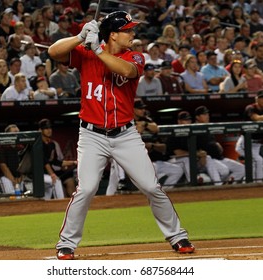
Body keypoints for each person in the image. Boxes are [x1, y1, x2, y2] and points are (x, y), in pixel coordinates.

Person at [48, 10, 195, 260]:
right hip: (91, 134)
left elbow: (127, 71)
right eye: (127, 30)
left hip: (125, 134)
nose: (132, 33)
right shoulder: (86, 53)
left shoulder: (135, 55)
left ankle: (177, 236)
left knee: (151, 186)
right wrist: (79, 36)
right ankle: (66, 243)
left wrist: (97, 50)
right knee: (87, 189)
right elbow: (53, 52)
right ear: (113, 34)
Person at [166, 110, 223, 185]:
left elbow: (198, 150)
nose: (188, 122)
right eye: (185, 120)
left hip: (192, 159)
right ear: (179, 121)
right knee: (186, 160)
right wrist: (195, 154)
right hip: (174, 161)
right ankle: (193, 184)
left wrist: (202, 155)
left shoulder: (192, 134)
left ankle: (218, 184)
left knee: (208, 158)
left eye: (189, 120)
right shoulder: (173, 133)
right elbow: (178, 153)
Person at [195, 106, 245, 184]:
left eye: (207, 114)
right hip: (206, 160)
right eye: (204, 114)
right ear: (197, 117)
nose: (207, 116)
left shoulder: (208, 127)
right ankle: (218, 186)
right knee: (224, 171)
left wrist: (217, 145)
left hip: (218, 157)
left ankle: (227, 186)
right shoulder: (195, 129)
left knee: (241, 169)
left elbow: (212, 143)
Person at [39, 119, 76, 198]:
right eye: (46, 128)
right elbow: (45, 162)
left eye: (50, 128)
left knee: (46, 198)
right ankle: (61, 205)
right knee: (57, 182)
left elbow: (56, 162)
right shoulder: (38, 144)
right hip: (38, 174)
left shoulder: (51, 144)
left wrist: (73, 162)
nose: (49, 130)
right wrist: (52, 175)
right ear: (40, 130)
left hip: (47, 175)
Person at [0, 124, 26, 194]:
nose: (16, 135)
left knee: (22, 197)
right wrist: (13, 181)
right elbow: (3, 167)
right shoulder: (2, 147)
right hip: (7, 178)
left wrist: (20, 178)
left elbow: (24, 165)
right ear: (7, 135)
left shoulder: (21, 148)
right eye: (14, 133)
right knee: (11, 196)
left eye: (18, 133)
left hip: (19, 178)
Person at [242, 90, 263, 182]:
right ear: (256, 99)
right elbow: (256, 118)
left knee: (255, 163)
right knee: (258, 160)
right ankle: (258, 183)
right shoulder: (250, 107)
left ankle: (246, 181)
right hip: (245, 142)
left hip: (257, 144)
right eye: (261, 98)